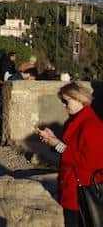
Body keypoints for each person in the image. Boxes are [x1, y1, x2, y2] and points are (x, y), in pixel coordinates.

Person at [38, 82, 103, 227]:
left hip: (83, 191)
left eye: (66, 101)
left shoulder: (91, 125)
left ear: (79, 99)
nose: (63, 105)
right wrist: (52, 140)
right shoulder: (76, 121)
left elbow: (89, 161)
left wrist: (57, 144)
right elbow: (70, 149)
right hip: (71, 187)